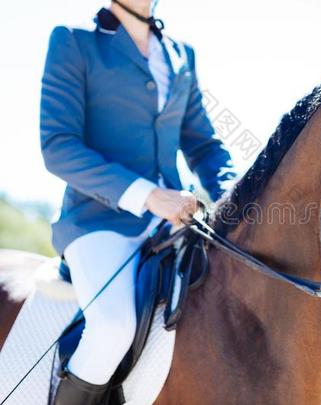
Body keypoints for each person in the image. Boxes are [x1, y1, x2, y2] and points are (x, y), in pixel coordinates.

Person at [40, 0, 234, 403]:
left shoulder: (181, 55)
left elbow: (204, 146)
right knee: (112, 328)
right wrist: (147, 195)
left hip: (176, 225)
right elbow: (58, 146)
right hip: (98, 222)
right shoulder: (75, 41)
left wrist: (237, 197)